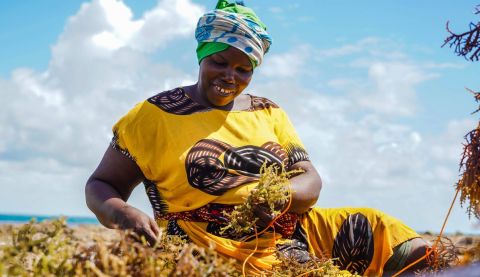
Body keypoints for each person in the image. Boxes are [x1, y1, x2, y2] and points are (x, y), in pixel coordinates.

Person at [85, 1, 429, 276]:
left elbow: (310, 179)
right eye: (220, 62)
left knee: (394, 239)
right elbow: (101, 184)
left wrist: (279, 196)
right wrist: (121, 214)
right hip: (204, 247)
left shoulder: (269, 112)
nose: (230, 76)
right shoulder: (155, 115)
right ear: (202, 57)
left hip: (285, 235)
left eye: (243, 69)